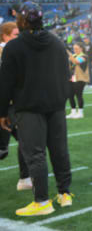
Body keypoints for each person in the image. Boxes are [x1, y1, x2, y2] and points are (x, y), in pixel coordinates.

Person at [0, 2, 73, 216]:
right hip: (56, 106)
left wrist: (2, 112)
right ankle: (64, 193)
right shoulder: (57, 42)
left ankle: (42, 201)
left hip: (29, 108)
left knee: (35, 154)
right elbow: (65, 75)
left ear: (21, 21)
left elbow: (5, 83)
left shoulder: (13, 47)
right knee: (60, 151)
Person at [0, 21, 32, 191]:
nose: (18, 38)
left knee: (25, 140)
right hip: (6, 106)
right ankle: (25, 178)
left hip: (12, 106)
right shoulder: (6, 50)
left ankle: (25, 178)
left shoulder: (12, 50)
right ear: (5, 36)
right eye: (15, 35)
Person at [67, 42, 89, 119]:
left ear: (81, 48)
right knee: (70, 95)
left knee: (78, 95)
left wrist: (69, 54)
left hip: (80, 78)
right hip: (72, 78)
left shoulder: (84, 56)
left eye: (76, 48)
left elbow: (76, 62)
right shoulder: (74, 55)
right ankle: (73, 112)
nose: (75, 50)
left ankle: (80, 113)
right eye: (74, 48)